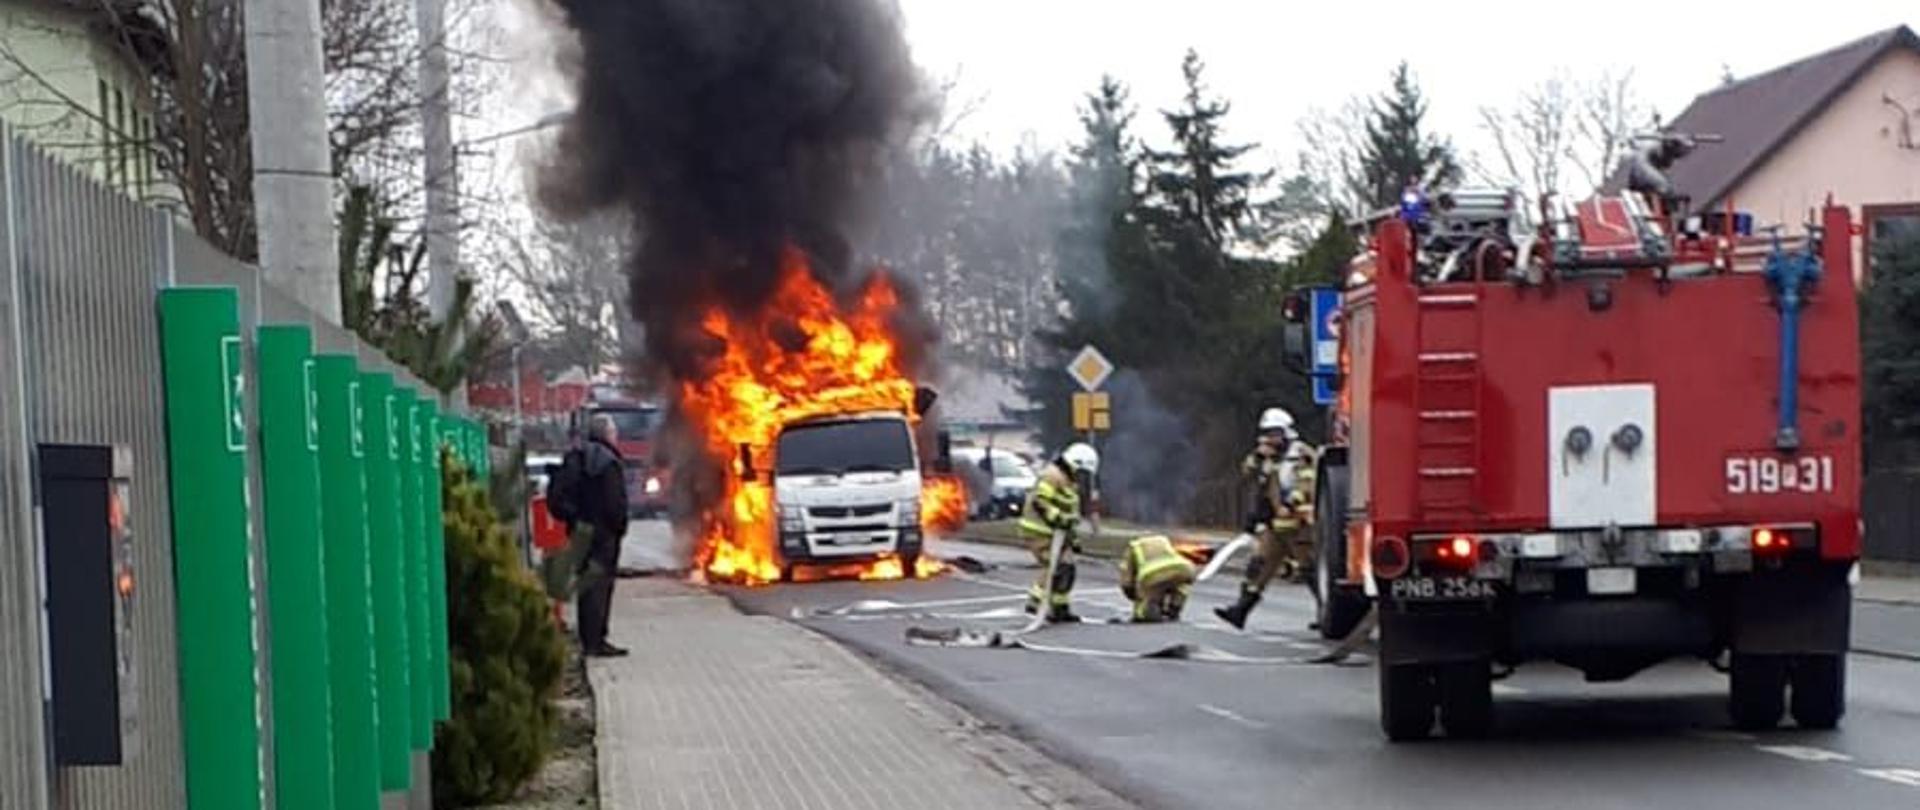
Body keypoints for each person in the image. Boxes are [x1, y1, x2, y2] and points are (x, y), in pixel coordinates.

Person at [1214, 407, 1317, 630]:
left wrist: (1293, 503)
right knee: (1258, 566)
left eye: (1274, 432)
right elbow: (1248, 476)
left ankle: (1326, 612)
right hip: (1275, 526)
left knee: (1310, 569)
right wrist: (1258, 457)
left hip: (1299, 526)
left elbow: (1308, 482)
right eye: (1267, 433)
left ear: (1286, 431)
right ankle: (1240, 611)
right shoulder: (1269, 458)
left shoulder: (1301, 453)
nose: (1270, 437)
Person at [1017, 442, 1099, 623]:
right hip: (1039, 530)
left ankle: (1060, 607)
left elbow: (1070, 516)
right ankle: (1036, 602)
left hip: (1056, 533)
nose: (1082, 476)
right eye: (1082, 471)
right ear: (1075, 463)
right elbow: (1040, 501)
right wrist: (1057, 517)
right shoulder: (1052, 475)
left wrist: (1073, 539)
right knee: (1056, 567)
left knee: (1067, 568)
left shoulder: (1069, 483)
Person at [572, 414, 631, 657]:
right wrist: (619, 527)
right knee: (601, 587)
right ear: (607, 434)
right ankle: (597, 641)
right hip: (604, 535)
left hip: (581, 532)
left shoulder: (577, 457)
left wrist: (572, 519)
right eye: (614, 432)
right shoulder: (609, 462)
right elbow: (614, 502)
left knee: (586, 586)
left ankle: (588, 639)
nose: (616, 436)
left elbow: (559, 495)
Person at [1118, 534, 1196, 623]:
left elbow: (1127, 580)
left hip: (1152, 574)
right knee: (1180, 585)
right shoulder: (1163, 540)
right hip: (1185, 568)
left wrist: (1134, 595)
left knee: (1147, 597)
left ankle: (1144, 615)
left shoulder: (1133, 546)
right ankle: (1174, 608)